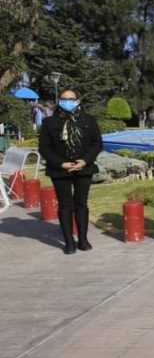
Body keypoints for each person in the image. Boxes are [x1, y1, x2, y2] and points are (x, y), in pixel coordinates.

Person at [38, 89, 103, 255]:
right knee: (65, 204)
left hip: (83, 167)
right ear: (59, 101)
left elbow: (97, 144)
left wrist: (85, 160)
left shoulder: (89, 120)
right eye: (64, 99)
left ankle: (83, 239)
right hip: (60, 169)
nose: (68, 101)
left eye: (71, 99)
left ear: (78, 101)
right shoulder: (49, 122)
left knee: (81, 203)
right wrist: (61, 163)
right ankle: (68, 242)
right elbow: (44, 147)